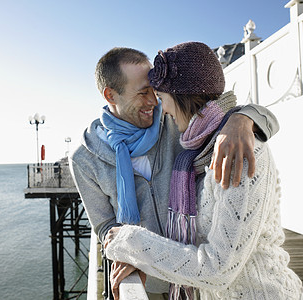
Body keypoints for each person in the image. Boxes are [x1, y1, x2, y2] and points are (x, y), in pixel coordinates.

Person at [69, 46, 280, 298]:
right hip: (147, 278)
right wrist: (126, 251)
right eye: (143, 92)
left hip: (197, 274)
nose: (154, 101)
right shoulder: (84, 158)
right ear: (111, 95)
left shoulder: (175, 123)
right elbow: (105, 225)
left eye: (156, 91)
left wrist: (244, 118)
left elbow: (218, 110)